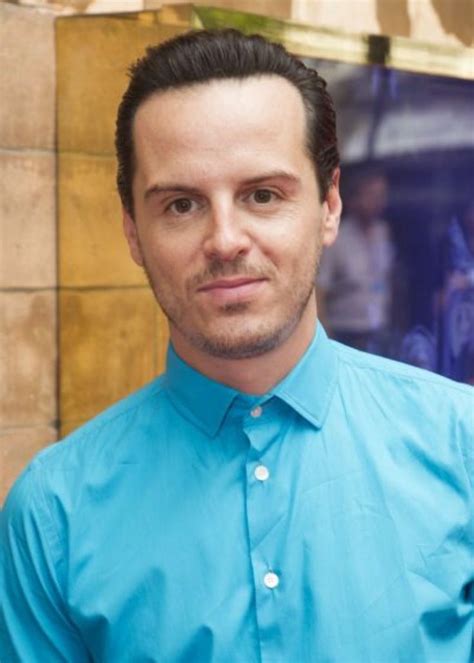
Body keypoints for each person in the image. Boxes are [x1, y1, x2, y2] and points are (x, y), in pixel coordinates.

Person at [0, 29, 472, 663]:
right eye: (182, 204)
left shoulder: (461, 446)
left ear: (329, 205)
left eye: (262, 195)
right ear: (132, 231)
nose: (225, 240)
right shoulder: (52, 515)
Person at [317, 168, 395, 354]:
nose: (378, 201)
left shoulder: (383, 232)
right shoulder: (336, 238)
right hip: (346, 333)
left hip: (379, 330)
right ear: (354, 199)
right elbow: (319, 290)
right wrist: (325, 339)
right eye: (371, 195)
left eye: (381, 195)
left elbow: (389, 278)